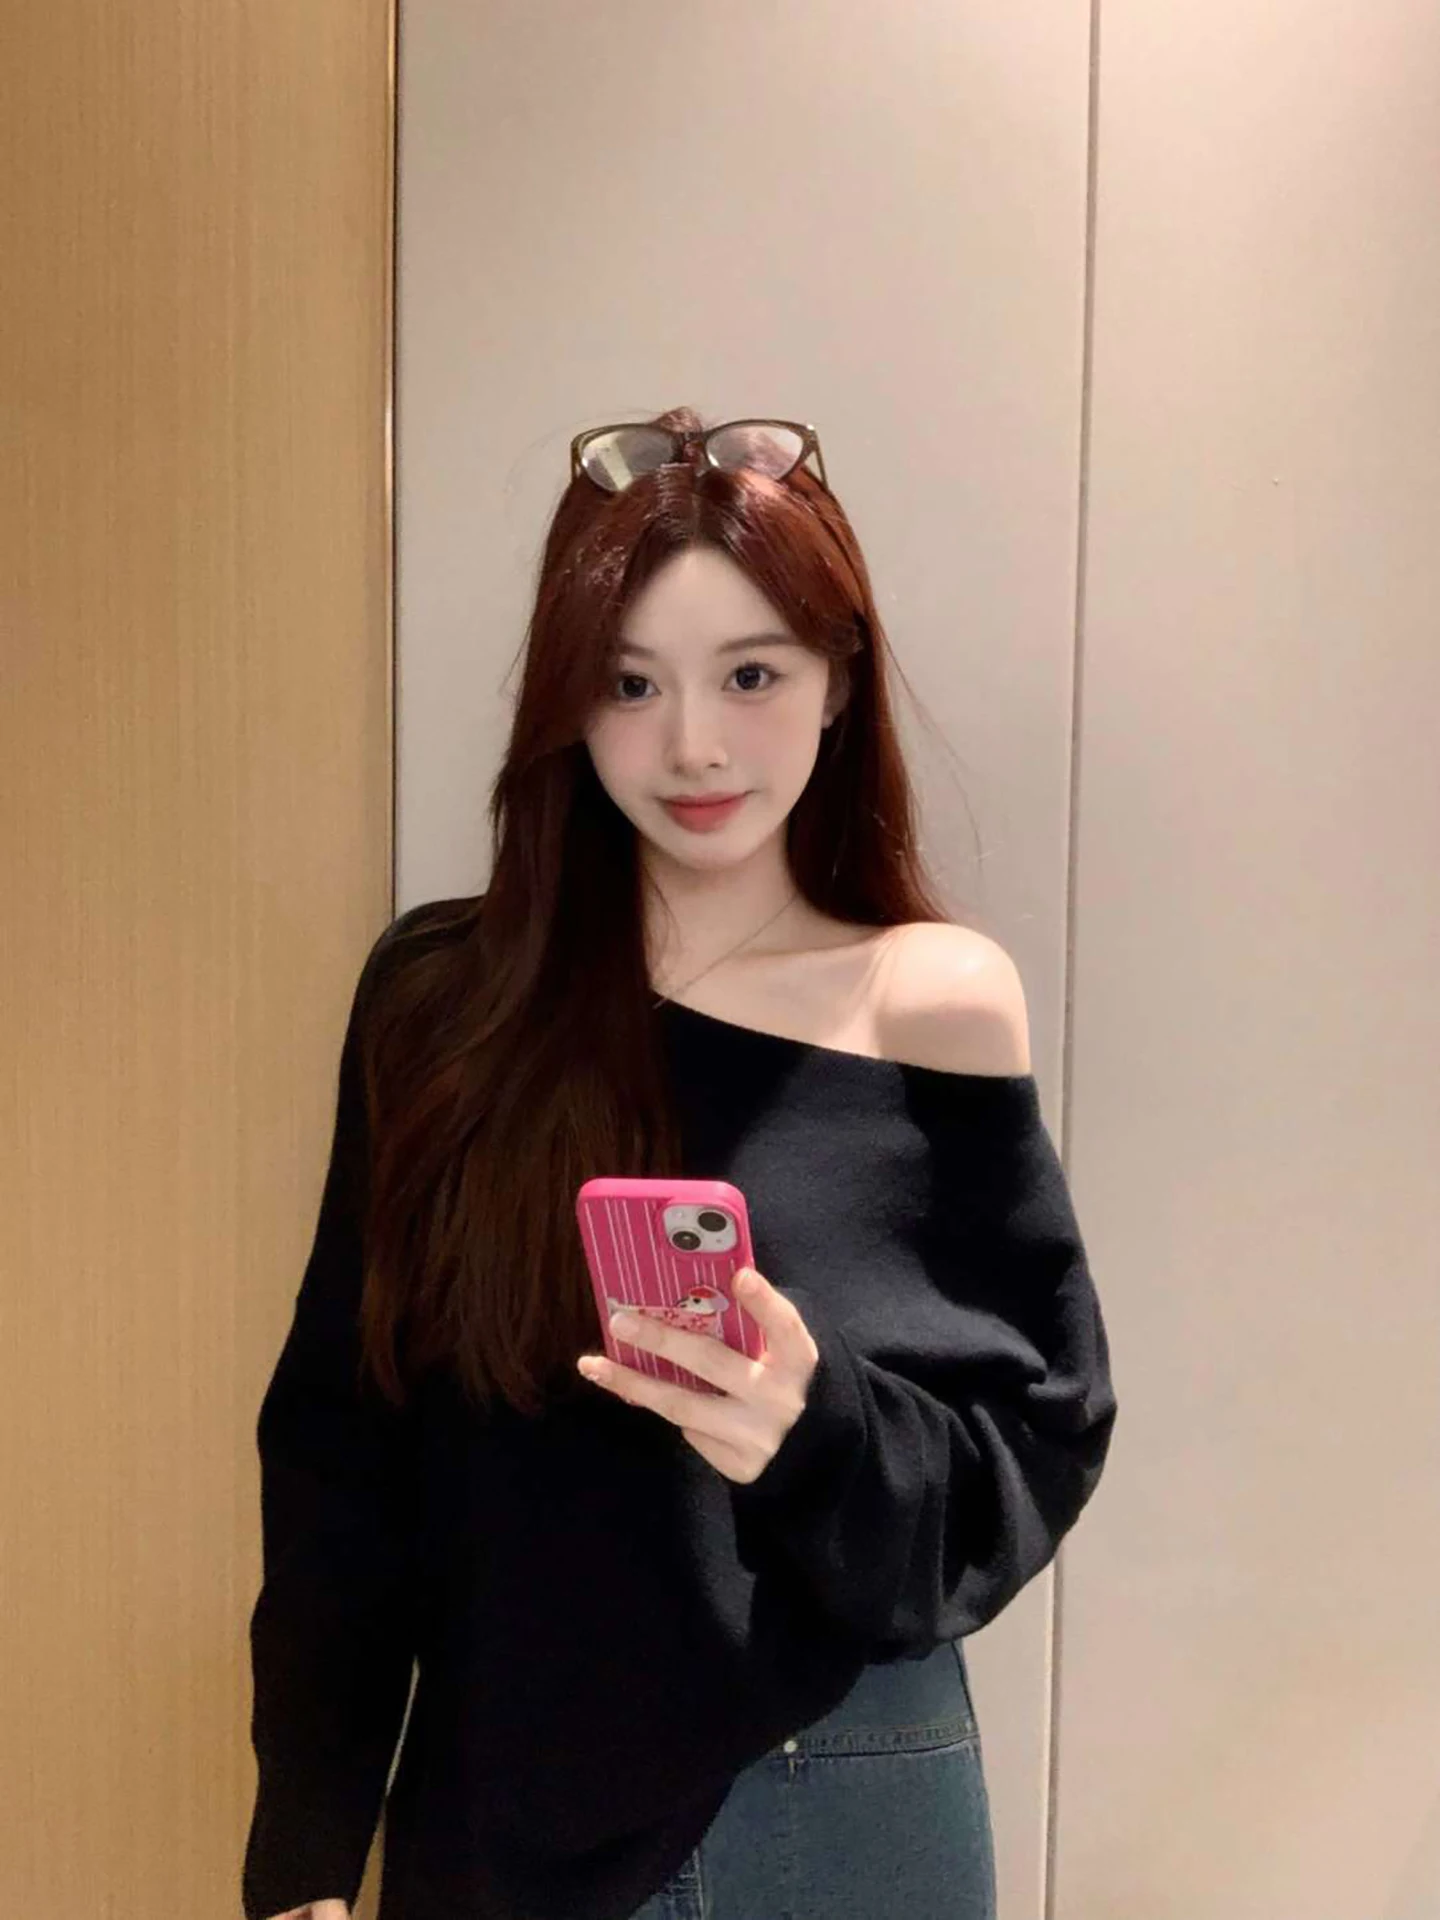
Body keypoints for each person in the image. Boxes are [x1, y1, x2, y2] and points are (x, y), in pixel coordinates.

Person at [242, 408, 1119, 1920]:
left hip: (836, 1777)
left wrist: (808, 1422)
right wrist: (308, 1840)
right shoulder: (443, 1001)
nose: (694, 744)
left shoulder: (929, 1000)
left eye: (751, 676)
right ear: (567, 708)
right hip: (505, 1784)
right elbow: (345, 1441)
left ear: (839, 682)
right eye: (630, 683)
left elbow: (1030, 1452)